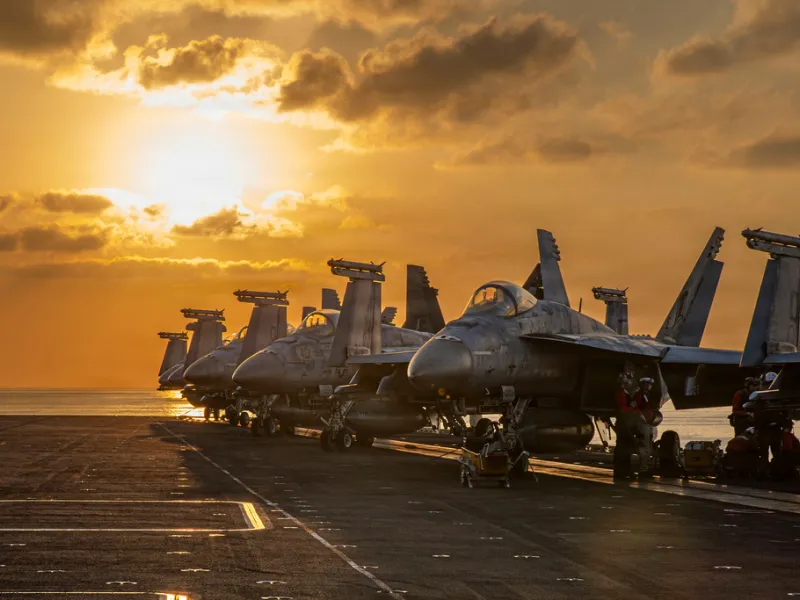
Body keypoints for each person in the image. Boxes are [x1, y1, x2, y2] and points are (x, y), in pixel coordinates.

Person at [613, 371, 636, 480]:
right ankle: (624, 472)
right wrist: (632, 406)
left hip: (623, 423)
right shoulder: (622, 393)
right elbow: (623, 410)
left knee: (623, 448)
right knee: (625, 448)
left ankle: (622, 472)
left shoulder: (622, 392)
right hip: (624, 424)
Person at [631, 377, 656, 479]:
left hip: (648, 423)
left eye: (650, 384)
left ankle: (645, 468)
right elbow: (635, 407)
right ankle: (643, 469)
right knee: (644, 447)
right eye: (648, 384)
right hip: (643, 423)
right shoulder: (639, 395)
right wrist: (641, 417)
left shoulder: (646, 395)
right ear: (643, 384)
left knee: (648, 447)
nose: (650, 386)